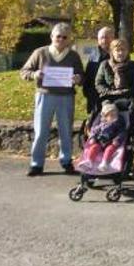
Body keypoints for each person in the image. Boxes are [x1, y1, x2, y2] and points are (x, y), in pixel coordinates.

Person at [20, 23, 84, 176]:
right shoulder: (40, 52)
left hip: (66, 97)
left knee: (66, 131)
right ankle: (36, 164)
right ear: (52, 37)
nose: (61, 39)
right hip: (45, 95)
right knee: (41, 131)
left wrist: (78, 78)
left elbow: (82, 76)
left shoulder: (73, 56)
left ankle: (66, 161)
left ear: (69, 39)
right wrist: (34, 74)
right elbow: (24, 71)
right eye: (58, 36)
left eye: (65, 37)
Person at [94, 38, 134, 114]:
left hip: (128, 98)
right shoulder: (105, 65)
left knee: (131, 110)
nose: (120, 53)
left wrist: (123, 92)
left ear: (127, 51)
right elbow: (99, 84)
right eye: (117, 50)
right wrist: (111, 92)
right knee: (108, 110)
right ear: (112, 52)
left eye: (123, 50)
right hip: (109, 97)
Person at [83, 102, 127, 171]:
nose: (113, 116)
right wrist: (93, 138)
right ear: (105, 116)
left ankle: (104, 163)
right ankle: (89, 161)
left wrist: (117, 139)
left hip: (111, 142)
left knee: (109, 150)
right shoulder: (100, 123)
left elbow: (122, 132)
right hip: (99, 141)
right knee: (94, 148)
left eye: (114, 114)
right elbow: (94, 130)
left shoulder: (118, 123)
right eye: (110, 115)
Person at [82, 26, 114, 116]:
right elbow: (88, 74)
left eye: (107, 37)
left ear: (113, 38)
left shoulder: (118, 54)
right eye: (101, 38)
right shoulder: (93, 53)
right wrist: (87, 92)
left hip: (111, 96)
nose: (104, 40)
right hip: (93, 96)